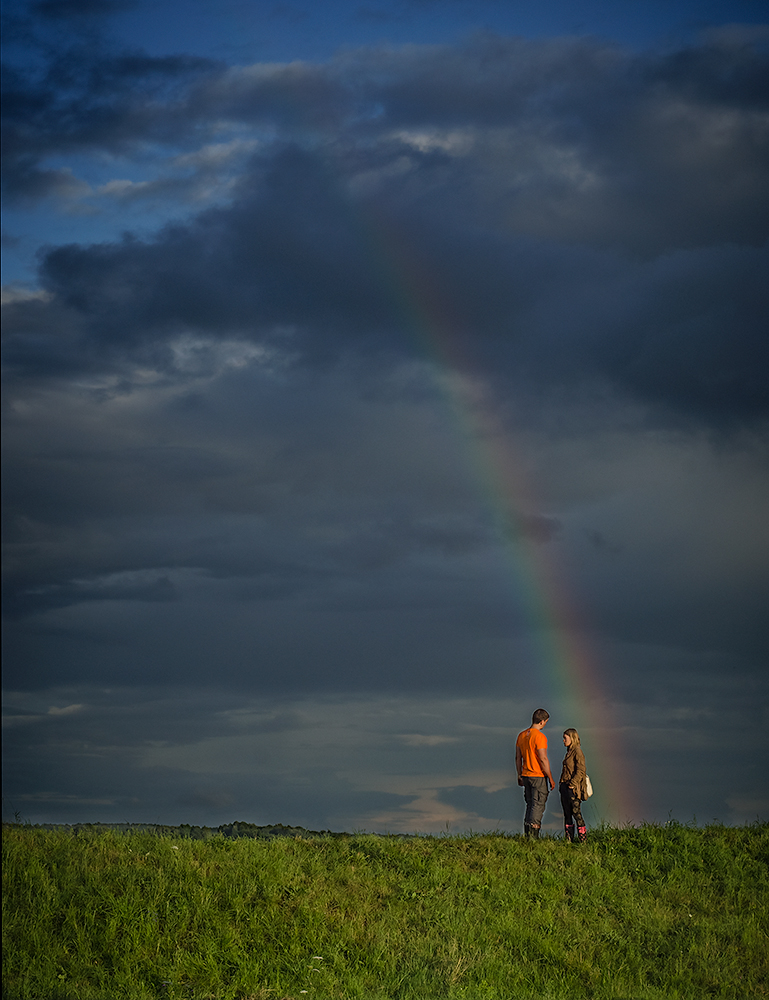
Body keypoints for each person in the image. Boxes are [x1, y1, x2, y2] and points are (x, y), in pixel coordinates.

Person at [515, 708, 555, 838]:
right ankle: (533, 836)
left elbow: (517, 757)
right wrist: (550, 777)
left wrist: (519, 774)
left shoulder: (521, 735)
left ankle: (527, 834)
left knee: (530, 804)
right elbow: (543, 758)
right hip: (537, 775)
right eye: (545, 722)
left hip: (525, 775)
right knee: (538, 804)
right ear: (542, 721)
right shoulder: (540, 736)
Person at [560, 728, 587, 843]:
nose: (563, 740)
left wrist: (572, 784)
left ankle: (582, 840)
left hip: (573, 788)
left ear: (572, 738)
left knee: (576, 813)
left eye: (565, 738)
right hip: (565, 786)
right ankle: (569, 840)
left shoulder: (577, 752)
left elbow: (581, 770)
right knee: (567, 813)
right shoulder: (569, 752)